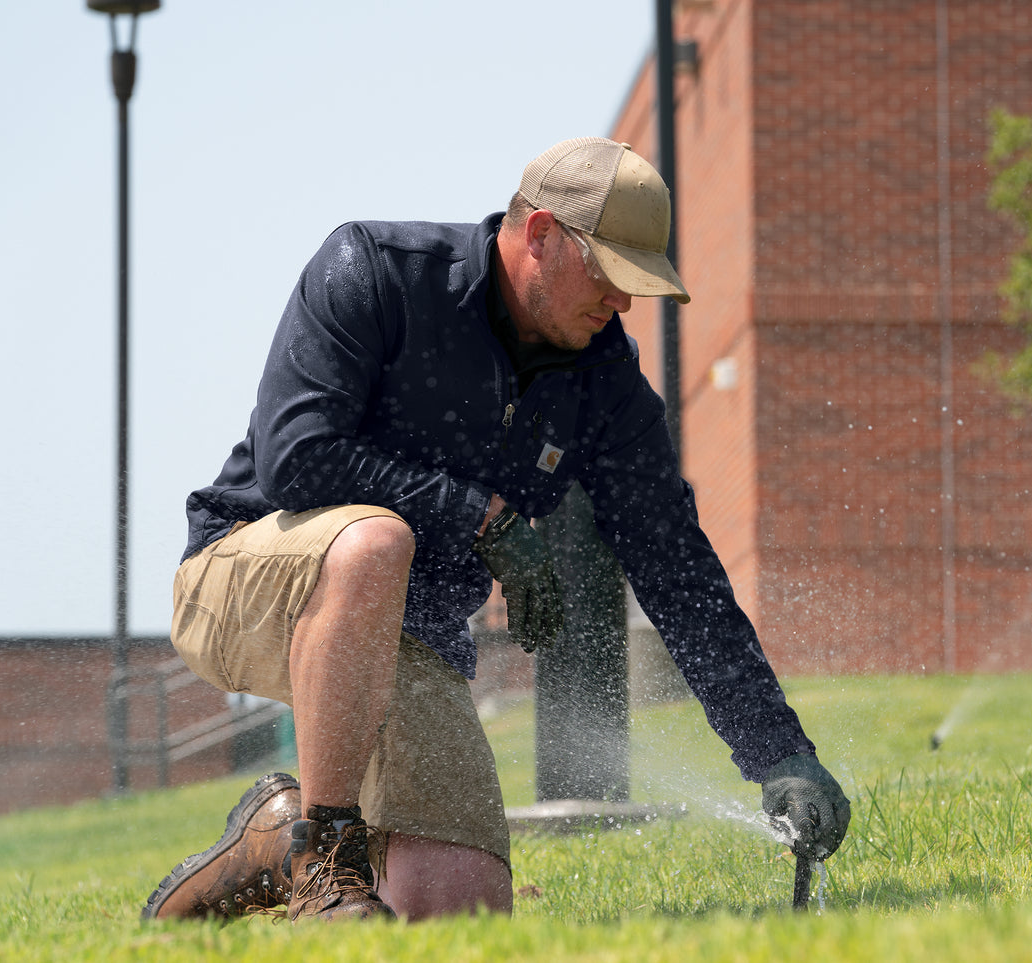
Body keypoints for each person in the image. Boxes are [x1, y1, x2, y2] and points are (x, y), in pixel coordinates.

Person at [140, 137, 850, 923]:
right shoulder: (376, 270)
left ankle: (273, 839)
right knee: (377, 541)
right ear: (540, 233)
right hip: (243, 580)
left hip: (407, 637)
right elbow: (296, 459)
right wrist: (481, 514)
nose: (623, 301)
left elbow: (676, 571)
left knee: (456, 911)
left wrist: (779, 753)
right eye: (610, 273)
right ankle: (325, 853)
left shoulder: (604, 386)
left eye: (637, 283)